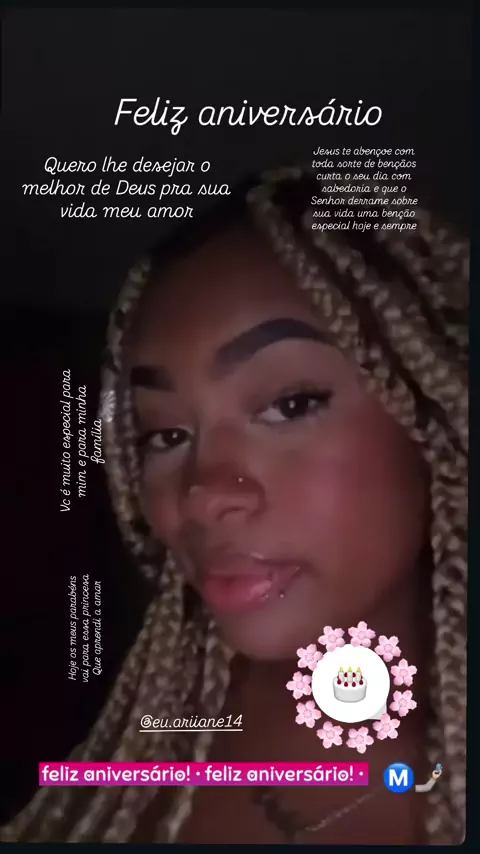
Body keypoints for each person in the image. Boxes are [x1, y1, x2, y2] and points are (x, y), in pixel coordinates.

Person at [2, 167, 467, 844]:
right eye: (165, 435)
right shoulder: (128, 772)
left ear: (434, 416)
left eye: (290, 404)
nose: (201, 495)